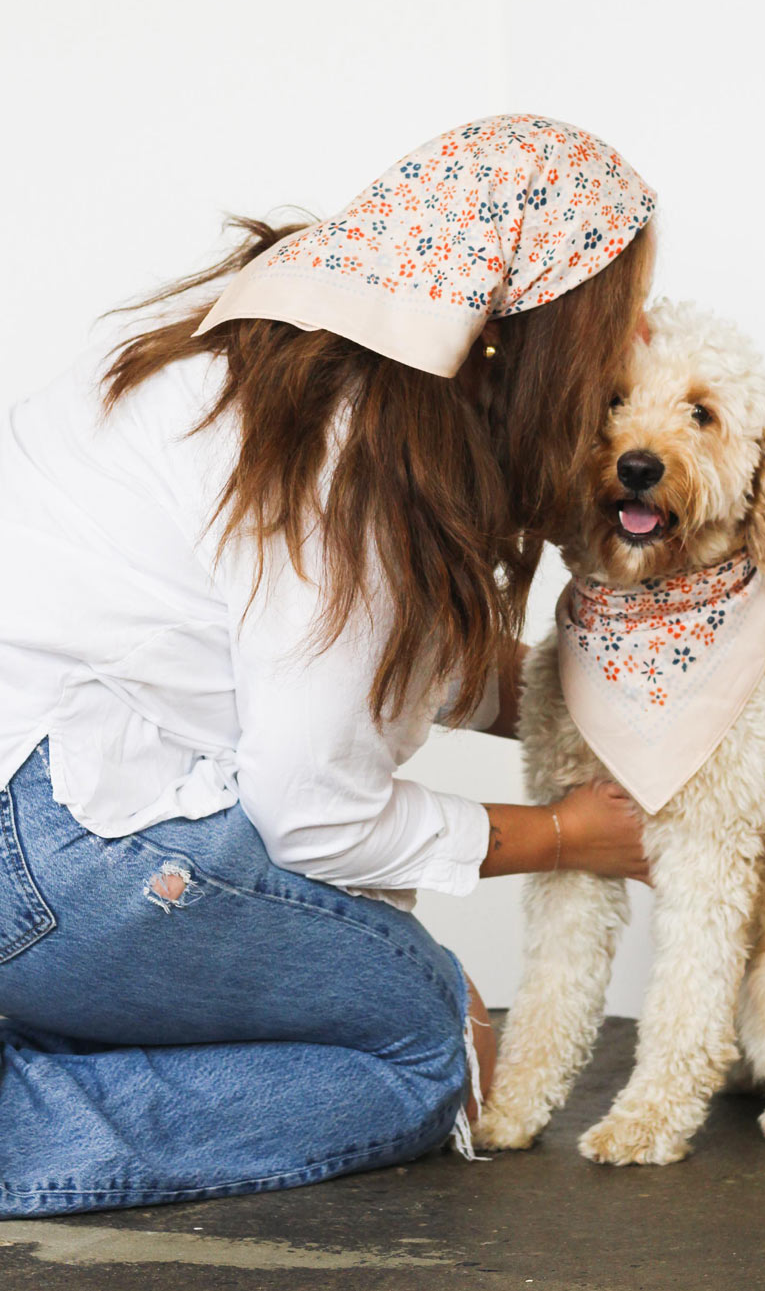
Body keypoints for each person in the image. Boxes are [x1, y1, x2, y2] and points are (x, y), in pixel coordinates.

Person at [0, 113, 656, 1217]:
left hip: (36, 832)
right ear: (523, 326)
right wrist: (564, 833)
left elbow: (340, 657)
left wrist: (593, 688)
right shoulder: (344, 460)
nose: (635, 342)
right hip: (53, 857)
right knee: (438, 1047)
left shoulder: (271, 354)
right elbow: (309, 809)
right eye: (616, 318)